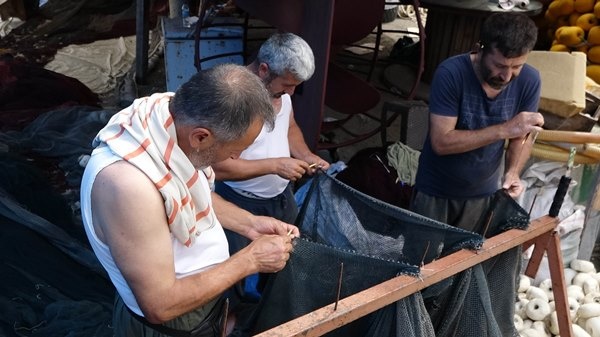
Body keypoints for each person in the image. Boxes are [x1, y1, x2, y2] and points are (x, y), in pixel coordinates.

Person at [79, 63, 299, 337]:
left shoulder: (170, 116)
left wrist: (250, 223)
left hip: (203, 307)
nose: (236, 158)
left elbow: (191, 194)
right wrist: (250, 260)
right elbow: (159, 305)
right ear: (201, 137)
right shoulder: (129, 188)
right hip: (170, 327)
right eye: (235, 150)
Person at [410, 12, 545, 336]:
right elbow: (442, 141)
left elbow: (522, 136)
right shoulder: (452, 73)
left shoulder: (529, 79)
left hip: (483, 194)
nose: (508, 75)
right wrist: (505, 129)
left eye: (516, 66)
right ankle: (413, 328)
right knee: (418, 274)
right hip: (436, 191)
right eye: (500, 65)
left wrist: (512, 172)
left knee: (466, 271)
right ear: (481, 48)